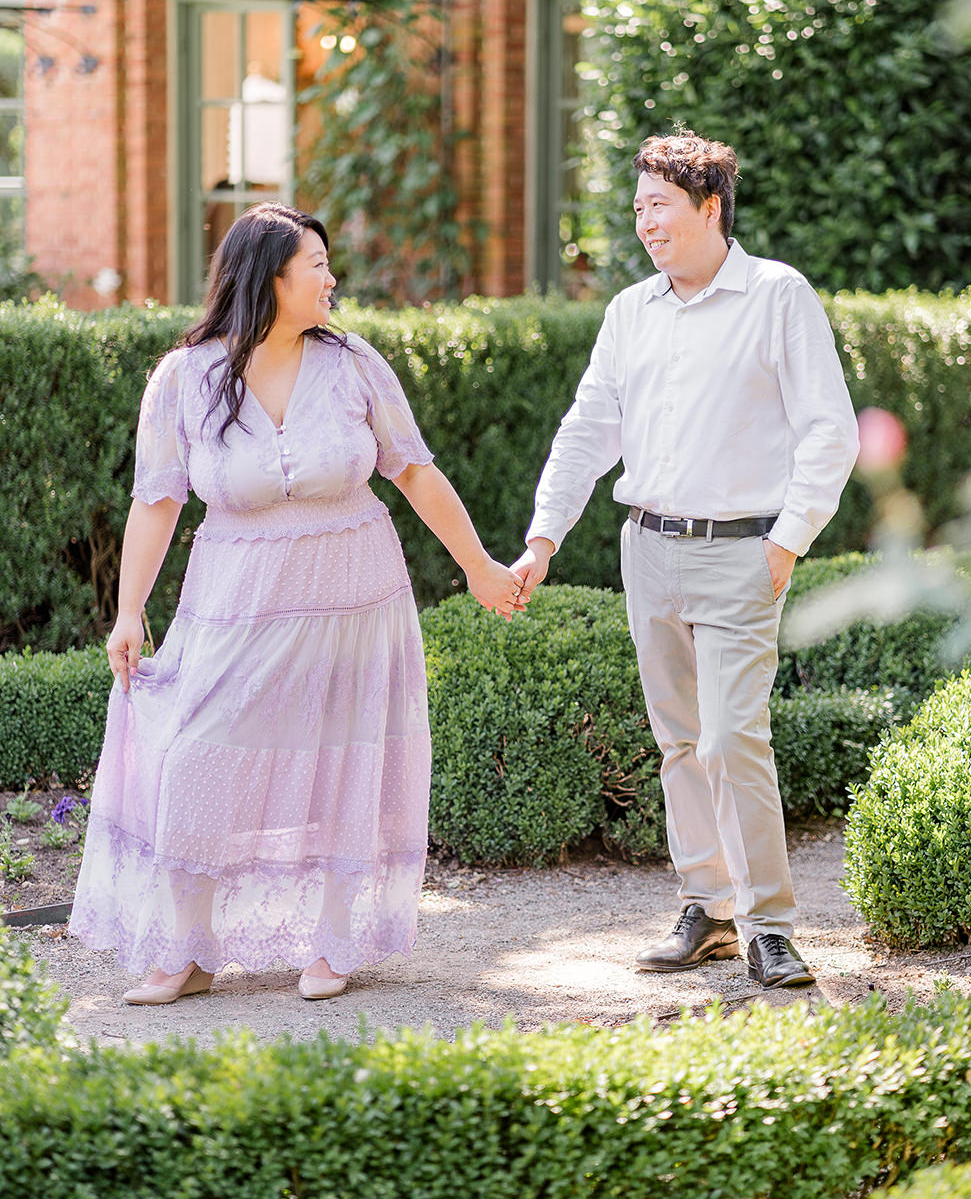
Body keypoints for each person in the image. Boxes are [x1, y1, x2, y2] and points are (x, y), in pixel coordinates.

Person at [69, 203, 523, 1005]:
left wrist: (482, 567)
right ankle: (187, 950)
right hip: (233, 604)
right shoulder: (185, 377)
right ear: (267, 277)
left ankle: (333, 944)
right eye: (315, 263)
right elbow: (156, 499)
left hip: (356, 598)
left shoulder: (353, 365)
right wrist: (129, 610)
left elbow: (413, 469)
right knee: (196, 758)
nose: (330, 277)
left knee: (346, 760)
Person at [512, 131, 859, 989]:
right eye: (637, 209)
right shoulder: (631, 311)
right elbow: (589, 429)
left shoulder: (778, 295)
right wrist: (544, 536)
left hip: (743, 551)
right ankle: (707, 909)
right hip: (649, 550)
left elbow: (831, 428)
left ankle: (770, 926)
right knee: (678, 742)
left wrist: (788, 540)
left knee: (735, 738)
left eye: (658, 204)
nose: (644, 223)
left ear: (710, 206)